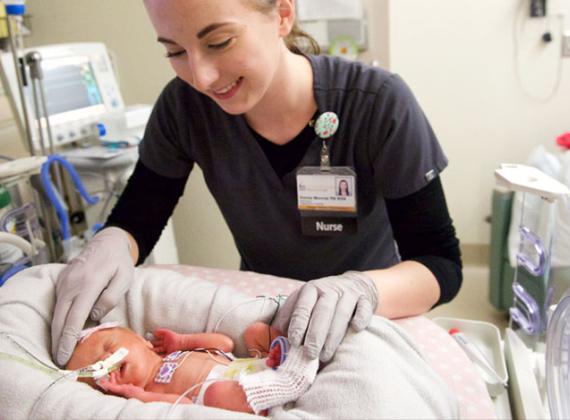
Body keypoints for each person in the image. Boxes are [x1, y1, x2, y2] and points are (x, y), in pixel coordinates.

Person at [52, 0, 462, 370]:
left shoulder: (377, 103)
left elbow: (439, 265)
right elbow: (138, 219)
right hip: (263, 324)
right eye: (175, 52)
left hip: (372, 316)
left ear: (283, 15)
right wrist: (112, 242)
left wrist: (360, 290)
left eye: (219, 42)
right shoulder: (185, 108)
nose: (202, 76)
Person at [66, 322, 319, 415]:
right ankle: (287, 379)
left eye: (109, 345)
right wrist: (141, 396)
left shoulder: (174, 351)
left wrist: (185, 341)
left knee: (255, 331)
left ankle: (282, 357)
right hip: (226, 397)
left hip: (248, 367)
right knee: (216, 393)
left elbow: (225, 344)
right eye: (97, 368)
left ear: (143, 341)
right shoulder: (149, 391)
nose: (107, 358)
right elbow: (183, 405)